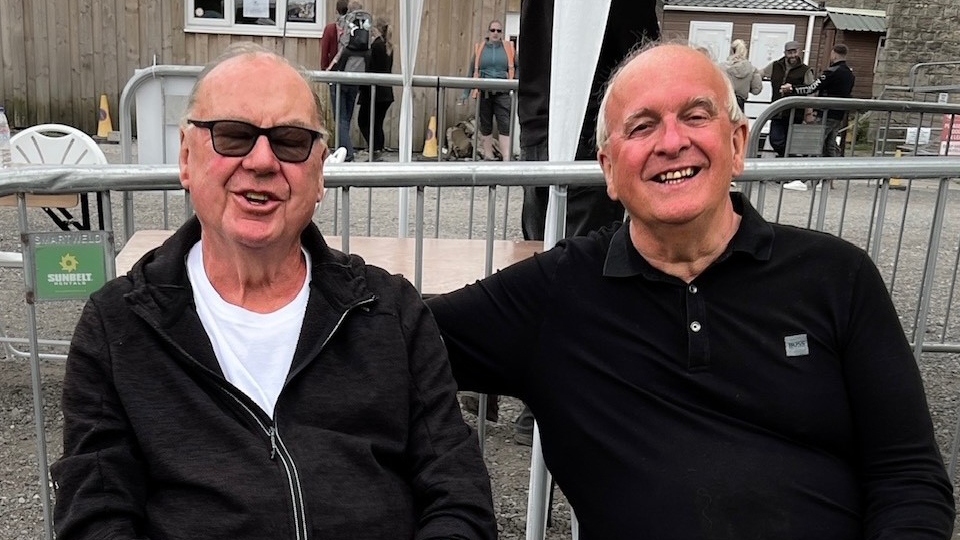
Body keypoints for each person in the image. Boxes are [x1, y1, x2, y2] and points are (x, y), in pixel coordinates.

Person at [427, 43, 956, 538]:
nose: (672, 142)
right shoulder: (557, 293)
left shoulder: (837, 277)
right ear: (609, 171)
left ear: (737, 144)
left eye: (696, 116)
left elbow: (907, 476)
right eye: (642, 126)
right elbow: (393, 326)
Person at [50, 43, 497, 540]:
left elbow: (458, 493)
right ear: (185, 158)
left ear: (320, 170)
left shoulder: (389, 312)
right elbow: (96, 515)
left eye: (289, 140)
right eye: (233, 135)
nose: (262, 161)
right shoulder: (119, 326)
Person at [502, 0, 660, 446]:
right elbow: (640, 49)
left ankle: (536, 386)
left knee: (549, 256)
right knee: (572, 264)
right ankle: (548, 391)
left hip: (550, 122)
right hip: (581, 126)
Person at [782, 43, 855, 158]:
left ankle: (814, 170)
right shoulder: (850, 74)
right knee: (830, 144)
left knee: (815, 143)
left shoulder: (831, 72)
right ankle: (833, 171)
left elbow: (812, 87)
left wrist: (792, 89)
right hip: (839, 114)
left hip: (826, 113)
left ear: (834, 55)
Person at [464, 20, 515, 161]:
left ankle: (506, 157)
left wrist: (517, 87)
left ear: (502, 33)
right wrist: (465, 93)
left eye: (499, 31)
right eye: (493, 30)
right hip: (483, 92)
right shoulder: (480, 48)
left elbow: (518, 68)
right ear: (488, 32)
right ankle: (488, 155)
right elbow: (471, 69)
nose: (495, 33)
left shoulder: (509, 48)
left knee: (505, 124)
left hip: (503, 92)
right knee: (485, 124)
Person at [759, 40, 815, 157]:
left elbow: (811, 90)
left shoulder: (805, 70)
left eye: (794, 52)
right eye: (789, 52)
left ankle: (787, 162)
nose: (793, 55)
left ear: (799, 52)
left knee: (791, 141)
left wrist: (809, 111)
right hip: (777, 110)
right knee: (775, 140)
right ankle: (789, 159)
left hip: (795, 112)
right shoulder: (775, 66)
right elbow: (762, 73)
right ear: (785, 53)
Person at [357, 17, 394, 161]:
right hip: (386, 92)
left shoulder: (376, 46)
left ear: (376, 29)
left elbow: (370, 68)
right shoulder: (388, 46)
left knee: (364, 121)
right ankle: (377, 151)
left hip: (374, 92)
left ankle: (375, 151)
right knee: (377, 123)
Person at [722, 38, 762, 112]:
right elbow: (756, 90)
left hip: (724, 100)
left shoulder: (722, 67)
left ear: (732, 50)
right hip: (740, 101)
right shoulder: (752, 69)